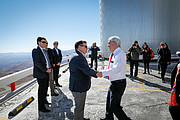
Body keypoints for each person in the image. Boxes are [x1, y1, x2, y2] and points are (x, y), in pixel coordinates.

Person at [97, 36, 131, 120]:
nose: (108, 45)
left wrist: (103, 73)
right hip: (114, 82)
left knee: (114, 106)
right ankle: (109, 118)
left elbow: (117, 68)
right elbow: (109, 67)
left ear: (114, 43)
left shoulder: (120, 54)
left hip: (119, 83)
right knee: (109, 102)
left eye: (109, 43)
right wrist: (99, 72)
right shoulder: (113, 54)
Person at [69, 40, 98, 120]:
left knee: (80, 105)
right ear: (79, 47)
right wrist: (97, 73)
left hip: (78, 85)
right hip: (79, 87)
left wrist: (88, 74)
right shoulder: (78, 57)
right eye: (85, 46)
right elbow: (87, 70)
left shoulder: (77, 55)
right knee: (79, 106)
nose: (87, 48)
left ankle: (80, 117)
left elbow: (83, 70)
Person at [32, 37, 51, 112]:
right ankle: (41, 107)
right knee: (42, 91)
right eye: (43, 42)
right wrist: (46, 69)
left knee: (45, 88)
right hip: (41, 73)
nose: (45, 44)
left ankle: (44, 101)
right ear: (39, 42)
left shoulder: (44, 50)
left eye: (46, 42)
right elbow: (37, 63)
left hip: (46, 73)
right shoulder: (35, 51)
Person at [169, 49, 180, 120]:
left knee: (173, 109)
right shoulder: (179, 64)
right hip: (176, 91)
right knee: (173, 109)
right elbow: (173, 75)